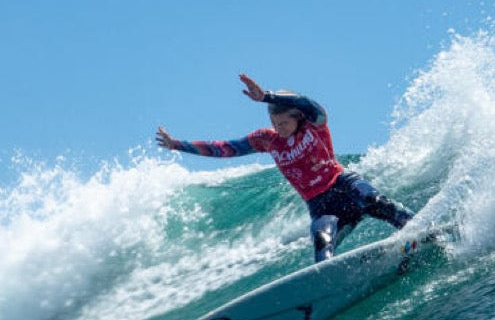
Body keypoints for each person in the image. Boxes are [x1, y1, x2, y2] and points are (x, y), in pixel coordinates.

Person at [156, 74, 413, 262]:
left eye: (283, 123)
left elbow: (305, 102)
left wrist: (267, 96)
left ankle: (417, 230)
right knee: (322, 243)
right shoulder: (268, 140)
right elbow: (224, 148)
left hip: (343, 185)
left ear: (297, 117)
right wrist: (177, 144)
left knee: (374, 200)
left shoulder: (315, 124)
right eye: (274, 122)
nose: (279, 128)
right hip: (320, 206)